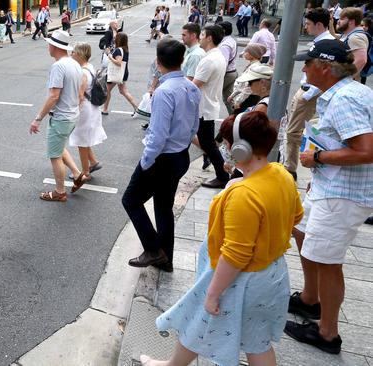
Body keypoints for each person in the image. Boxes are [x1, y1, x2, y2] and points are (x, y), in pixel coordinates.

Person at [141, 111, 303, 366]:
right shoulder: (282, 174)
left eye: (227, 143)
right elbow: (296, 217)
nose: (225, 148)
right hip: (272, 275)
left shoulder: (243, 194)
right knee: (257, 342)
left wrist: (213, 293)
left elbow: (236, 254)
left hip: (240, 280)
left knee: (199, 319)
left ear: (240, 148)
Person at [284, 39, 373, 355]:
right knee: (302, 230)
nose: (304, 68)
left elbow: (366, 151)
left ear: (324, 68)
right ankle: (310, 300)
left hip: (344, 194)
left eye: (308, 63)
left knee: (328, 260)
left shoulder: (345, 99)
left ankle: (327, 333)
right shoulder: (343, 93)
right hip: (331, 186)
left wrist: (318, 160)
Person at [123, 38, 201, 272]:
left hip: (162, 158)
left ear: (158, 62)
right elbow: (194, 125)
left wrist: (146, 162)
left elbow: (158, 135)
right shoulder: (191, 87)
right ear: (182, 60)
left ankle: (153, 249)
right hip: (180, 155)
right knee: (163, 206)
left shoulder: (164, 91)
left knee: (131, 200)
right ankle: (165, 258)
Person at [29, 30, 85, 202]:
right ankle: (77, 174)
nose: (48, 46)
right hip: (72, 115)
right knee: (59, 148)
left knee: (54, 155)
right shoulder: (74, 63)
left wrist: (37, 119)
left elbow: (54, 96)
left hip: (61, 117)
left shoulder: (58, 66)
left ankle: (60, 191)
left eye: (49, 44)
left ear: (54, 46)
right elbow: (80, 88)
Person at [284, 7, 335, 180]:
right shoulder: (320, 41)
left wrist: (309, 93)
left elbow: (325, 73)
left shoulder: (325, 44)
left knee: (293, 132)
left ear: (319, 24)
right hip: (306, 90)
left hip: (310, 93)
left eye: (308, 24)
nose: (306, 27)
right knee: (293, 130)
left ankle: (290, 169)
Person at [194, 25, 229, 188]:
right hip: (209, 105)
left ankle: (222, 176)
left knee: (208, 144)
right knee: (207, 142)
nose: (199, 37)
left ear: (209, 38)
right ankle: (222, 173)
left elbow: (195, 85)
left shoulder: (209, 60)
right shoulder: (217, 56)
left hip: (204, 108)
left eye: (201, 34)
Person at [68, 42, 106, 186]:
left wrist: (72, 110)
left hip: (85, 109)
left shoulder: (83, 72)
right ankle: (94, 162)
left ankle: (85, 172)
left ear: (79, 54)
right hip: (92, 108)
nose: (71, 55)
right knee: (84, 138)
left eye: (73, 52)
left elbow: (80, 95)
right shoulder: (89, 67)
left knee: (81, 141)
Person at [101, 33, 138, 115]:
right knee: (123, 91)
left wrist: (110, 56)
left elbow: (118, 63)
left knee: (107, 90)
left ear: (119, 39)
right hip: (122, 73)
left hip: (116, 73)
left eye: (116, 37)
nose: (114, 38)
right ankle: (137, 108)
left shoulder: (118, 50)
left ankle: (105, 109)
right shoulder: (125, 49)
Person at [330, 7, 370, 77]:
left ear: (351, 22)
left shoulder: (356, 37)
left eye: (342, 19)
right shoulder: (349, 34)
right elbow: (333, 36)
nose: (338, 21)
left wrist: (345, 78)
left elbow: (361, 60)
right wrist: (330, 23)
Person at [227, 43, 267, 111]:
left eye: (246, 52)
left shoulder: (255, 68)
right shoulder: (252, 65)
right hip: (246, 98)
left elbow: (248, 88)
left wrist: (238, 101)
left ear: (253, 55)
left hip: (249, 99)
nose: (244, 53)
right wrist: (233, 95)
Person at [218, 21, 238, 114]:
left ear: (223, 30)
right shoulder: (231, 40)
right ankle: (234, 118)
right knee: (228, 99)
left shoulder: (224, 45)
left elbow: (223, 63)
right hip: (232, 72)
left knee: (211, 95)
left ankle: (234, 119)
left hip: (227, 74)